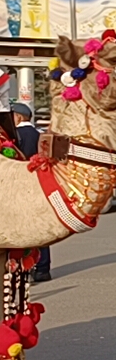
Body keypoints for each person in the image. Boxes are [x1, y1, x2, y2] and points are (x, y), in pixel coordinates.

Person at [10, 104, 51, 282]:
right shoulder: (40, 134)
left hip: (20, 186)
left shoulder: (15, 136)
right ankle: (43, 269)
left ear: (18, 117)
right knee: (41, 228)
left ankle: (24, 267)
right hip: (41, 185)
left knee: (23, 229)